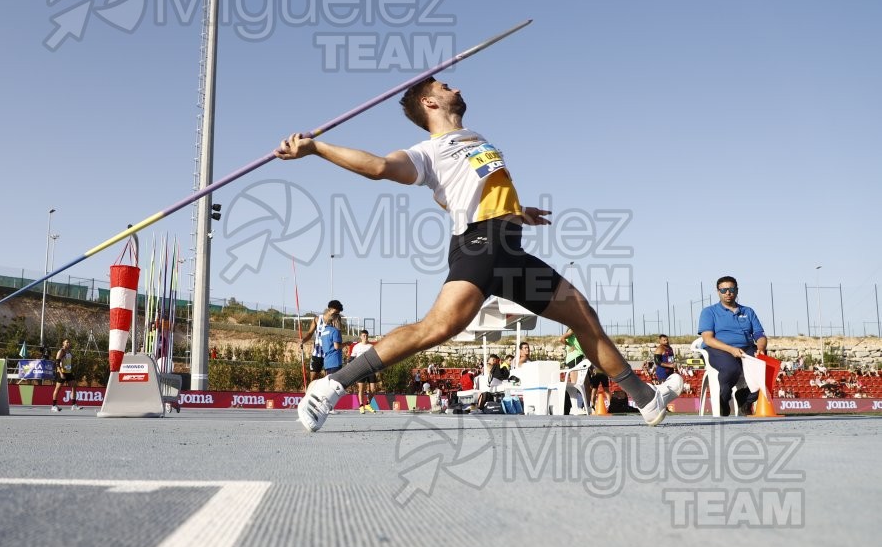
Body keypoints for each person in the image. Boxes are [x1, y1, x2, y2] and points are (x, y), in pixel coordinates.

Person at [276, 76, 682, 432]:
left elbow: (462, 196)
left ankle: (645, 399)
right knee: (436, 328)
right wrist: (316, 149)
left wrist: (518, 212)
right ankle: (330, 386)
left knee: (582, 315)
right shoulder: (427, 152)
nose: (458, 88)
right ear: (429, 102)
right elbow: (380, 166)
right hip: (480, 245)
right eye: (446, 86)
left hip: (510, 249)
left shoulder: (475, 139)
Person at [698, 276, 768, 416]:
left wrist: (761, 348)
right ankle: (724, 400)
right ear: (718, 292)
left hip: (747, 348)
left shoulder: (748, 311)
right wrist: (731, 349)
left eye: (731, 289)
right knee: (731, 368)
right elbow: (708, 339)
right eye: (723, 290)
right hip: (718, 348)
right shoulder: (709, 312)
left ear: (736, 291)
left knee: (768, 368)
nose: (728, 293)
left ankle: (746, 399)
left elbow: (760, 335)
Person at [299, 300, 344, 384]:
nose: (337, 315)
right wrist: (303, 340)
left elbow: (338, 336)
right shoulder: (317, 319)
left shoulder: (337, 320)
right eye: (336, 312)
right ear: (329, 310)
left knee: (328, 380)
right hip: (317, 353)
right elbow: (309, 333)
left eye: (338, 313)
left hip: (330, 355)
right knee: (313, 379)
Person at [350, 330, 377, 414]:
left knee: (373, 389)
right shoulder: (356, 347)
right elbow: (351, 359)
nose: (365, 337)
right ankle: (361, 405)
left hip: (371, 369)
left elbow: (375, 358)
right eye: (364, 336)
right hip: (361, 369)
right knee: (361, 388)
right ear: (361, 337)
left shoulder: (371, 347)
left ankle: (368, 404)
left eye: (366, 335)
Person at [51, 339, 79, 412]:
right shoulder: (61, 351)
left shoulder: (69, 352)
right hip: (62, 372)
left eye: (69, 342)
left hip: (68, 372)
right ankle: (53, 406)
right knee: (58, 388)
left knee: (74, 385)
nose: (68, 343)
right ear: (63, 343)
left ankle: (73, 405)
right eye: (67, 342)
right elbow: (57, 363)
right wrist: (60, 373)